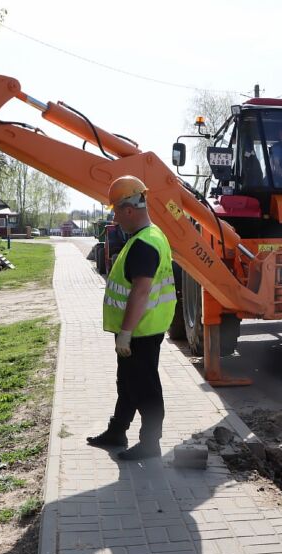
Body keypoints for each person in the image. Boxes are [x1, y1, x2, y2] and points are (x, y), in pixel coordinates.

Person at [86, 176, 176, 460]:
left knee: (145, 386)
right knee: (127, 381)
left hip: (140, 331)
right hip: (141, 328)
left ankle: (150, 443)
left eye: (115, 210)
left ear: (128, 209)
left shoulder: (143, 243)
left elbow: (140, 291)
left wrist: (125, 332)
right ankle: (117, 430)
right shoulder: (150, 236)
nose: (114, 217)